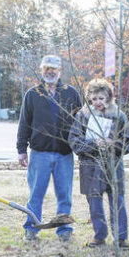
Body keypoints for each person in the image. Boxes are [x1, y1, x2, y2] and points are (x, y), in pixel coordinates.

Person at [16, 55, 82, 241]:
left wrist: (81, 146)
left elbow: (79, 123)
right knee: (36, 194)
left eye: (54, 68)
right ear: (41, 70)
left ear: (60, 70)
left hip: (64, 154)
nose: (50, 72)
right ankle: (31, 227)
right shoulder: (33, 94)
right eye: (46, 68)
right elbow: (24, 123)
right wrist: (21, 149)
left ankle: (63, 229)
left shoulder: (71, 93)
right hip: (39, 154)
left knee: (64, 194)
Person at [69, 79, 129, 248]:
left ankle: (121, 238)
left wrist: (112, 143)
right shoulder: (83, 115)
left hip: (113, 167)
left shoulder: (118, 116)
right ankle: (99, 235)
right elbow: (74, 141)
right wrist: (93, 144)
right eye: (94, 98)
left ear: (109, 97)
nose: (98, 102)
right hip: (90, 167)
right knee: (94, 202)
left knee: (117, 202)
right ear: (89, 98)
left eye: (102, 98)